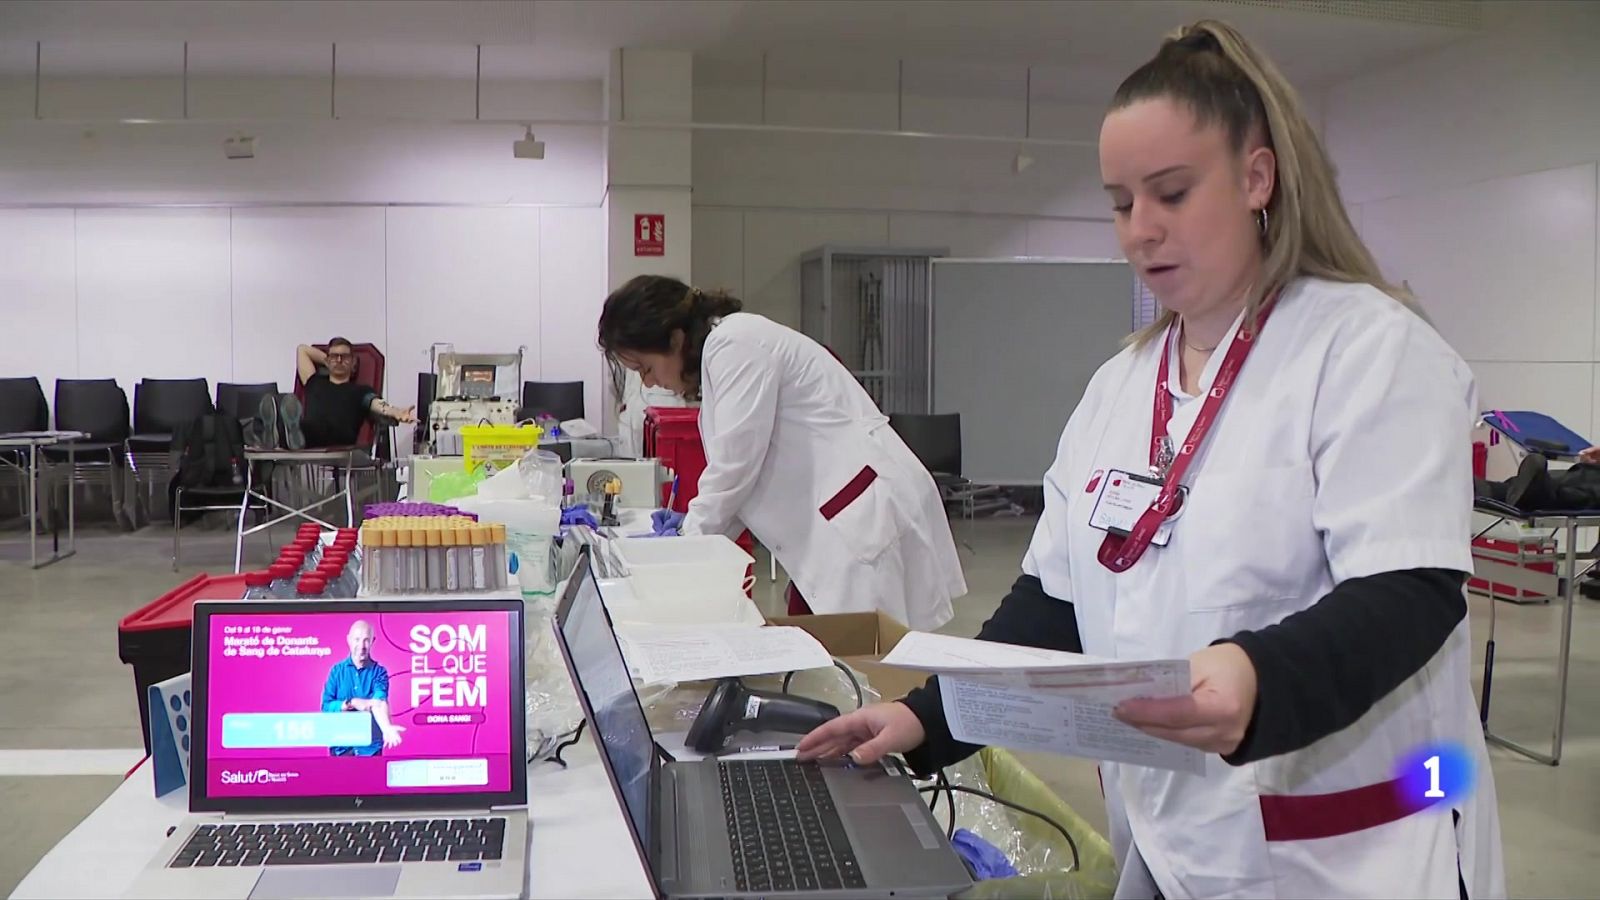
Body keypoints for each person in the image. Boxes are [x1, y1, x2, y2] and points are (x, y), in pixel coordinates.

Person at [799, 20, 1503, 899]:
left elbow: (1410, 592)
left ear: (1257, 177)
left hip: (1343, 848)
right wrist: (922, 717)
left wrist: (1257, 673)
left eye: (1171, 193)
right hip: (1174, 843)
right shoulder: (1121, 387)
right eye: (1123, 202)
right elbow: (1052, 604)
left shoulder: (1368, 350)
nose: (1141, 229)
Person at [597, 276, 967, 631]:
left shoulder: (735, 344)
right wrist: (695, 530)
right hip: (835, 520)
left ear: (675, 339)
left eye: (644, 367)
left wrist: (686, 543)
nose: (646, 382)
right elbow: (743, 473)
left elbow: (735, 467)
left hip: (859, 515)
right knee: (834, 653)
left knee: (869, 666)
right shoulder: (725, 350)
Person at [251, 337, 416, 450]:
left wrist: (397, 412)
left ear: (353, 363)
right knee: (280, 421)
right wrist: (331, 361)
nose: (339, 360)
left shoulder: (360, 391)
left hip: (339, 437)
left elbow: (378, 405)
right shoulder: (314, 381)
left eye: (344, 357)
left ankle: (281, 434)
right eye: (334, 357)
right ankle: (278, 433)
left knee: (306, 427)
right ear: (327, 361)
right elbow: (302, 350)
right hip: (309, 434)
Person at [320, 620, 404, 756]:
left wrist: (387, 727)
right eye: (357, 639)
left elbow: (379, 703)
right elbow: (326, 707)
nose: (361, 646)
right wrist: (349, 703)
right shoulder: (336, 671)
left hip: (370, 750)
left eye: (366, 640)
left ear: (372, 641)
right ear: (349, 640)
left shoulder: (379, 672)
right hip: (341, 749)